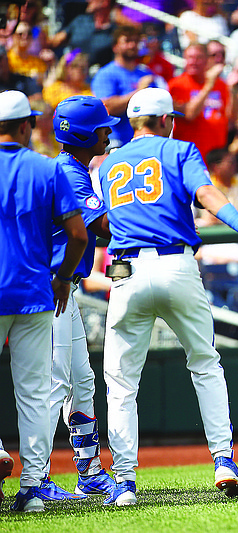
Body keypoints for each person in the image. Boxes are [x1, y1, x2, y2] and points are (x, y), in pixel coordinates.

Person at [97, 87, 238, 506]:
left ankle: (124, 482)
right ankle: (223, 460)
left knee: (121, 384)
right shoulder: (179, 150)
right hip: (176, 264)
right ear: (165, 120)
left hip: (126, 270)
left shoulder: (109, 164)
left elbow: (104, 222)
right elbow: (208, 195)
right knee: (205, 363)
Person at [0, 90, 88, 512]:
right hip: (36, 292)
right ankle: (32, 485)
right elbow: (79, 235)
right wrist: (64, 278)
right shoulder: (47, 168)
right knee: (34, 392)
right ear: (24, 126)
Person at [46, 96, 120, 501]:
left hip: (65, 288)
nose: (107, 133)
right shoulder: (69, 173)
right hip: (51, 287)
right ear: (83, 133)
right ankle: (36, 479)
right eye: (101, 128)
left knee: (80, 381)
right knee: (56, 383)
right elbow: (105, 227)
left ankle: (89, 472)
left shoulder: (73, 168)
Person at [90, 25, 157, 149]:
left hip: (144, 143)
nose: (132, 45)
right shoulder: (106, 74)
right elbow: (107, 107)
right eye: (127, 41)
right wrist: (139, 92)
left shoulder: (146, 73)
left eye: (136, 41)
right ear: (115, 46)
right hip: (116, 143)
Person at [168, 43, 231, 161]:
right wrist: (209, 85)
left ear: (207, 60)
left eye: (199, 58)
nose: (194, 62)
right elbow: (190, 114)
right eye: (190, 57)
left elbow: (230, 117)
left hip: (215, 155)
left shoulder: (221, 85)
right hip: (190, 155)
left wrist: (233, 89)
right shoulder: (176, 85)